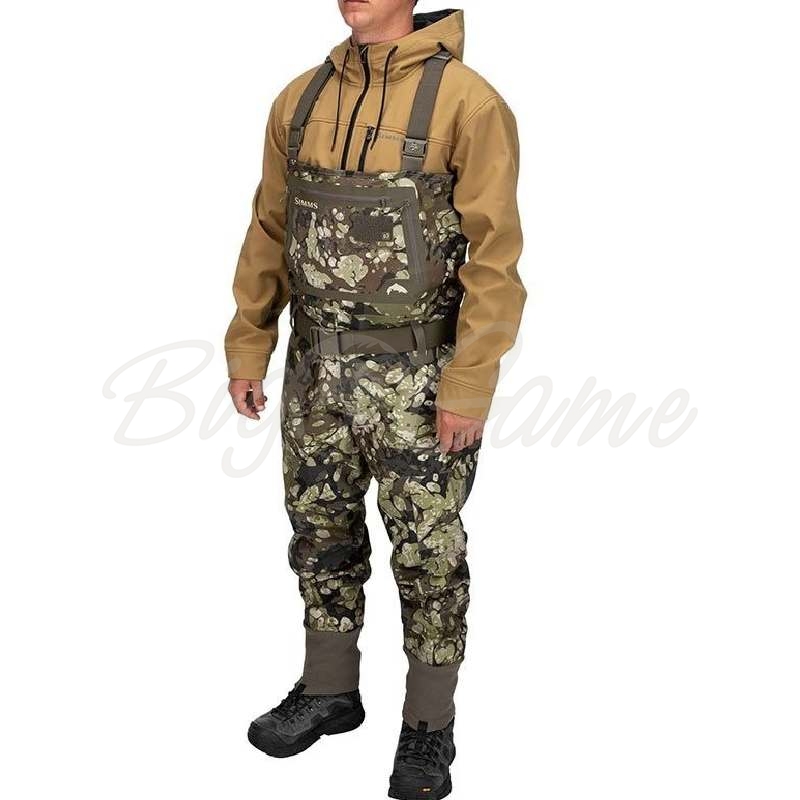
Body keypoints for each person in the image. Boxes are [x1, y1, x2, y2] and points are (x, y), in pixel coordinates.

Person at [224, 3, 526, 797]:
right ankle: (330, 689)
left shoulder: (468, 102)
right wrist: (250, 342)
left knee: (428, 553)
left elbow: (495, 259)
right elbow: (269, 228)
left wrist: (470, 383)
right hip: (314, 372)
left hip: (419, 378)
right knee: (318, 533)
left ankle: (428, 726)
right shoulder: (299, 98)